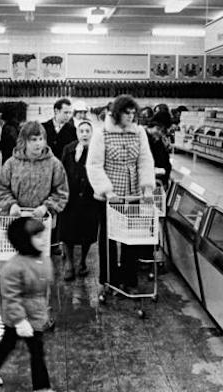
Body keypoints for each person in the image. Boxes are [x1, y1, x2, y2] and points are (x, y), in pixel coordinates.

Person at [0, 217, 60, 392]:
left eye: (43, 234)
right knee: (27, 348)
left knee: (12, 344)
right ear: (24, 240)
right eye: (37, 236)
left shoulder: (41, 258)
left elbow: (44, 285)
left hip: (35, 314)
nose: (43, 239)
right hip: (19, 318)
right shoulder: (12, 268)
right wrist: (20, 321)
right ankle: (41, 388)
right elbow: (11, 298)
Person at [86, 94, 156, 295]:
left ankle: (129, 279)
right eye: (127, 113)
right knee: (108, 239)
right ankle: (109, 280)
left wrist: (147, 187)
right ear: (117, 114)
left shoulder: (139, 132)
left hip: (132, 194)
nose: (131, 117)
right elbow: (94, 165)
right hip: (109, 198)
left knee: (131, 239)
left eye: (134, 114)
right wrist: (107, 191)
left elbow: (145, 160)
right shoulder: (102, 134)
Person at [0, 121, 68, 219]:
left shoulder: (54, 164)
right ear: (24, 141)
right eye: (33, 140)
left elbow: (61, 192)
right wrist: (11, 205)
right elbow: (1, 189)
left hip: (43, 220)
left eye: (41, 139)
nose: (38, 144)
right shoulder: (11, 163)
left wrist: (46, 207)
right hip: (15, 219)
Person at [58, 119, 99, 281]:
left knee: (87, 232)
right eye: (81, 131)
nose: (84, 134)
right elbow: (61, 171)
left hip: (90, 198)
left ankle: (82, 261)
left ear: (91, 133)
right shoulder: (68, 149)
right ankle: (69, 263)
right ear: (77, 133)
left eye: (87, 131)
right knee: (67, 230)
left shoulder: (96, 150)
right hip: (70, 197)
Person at [41, 98, 76, 254]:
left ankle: (56, 243)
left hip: (64, 175)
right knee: (44, 208)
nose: (68, 115)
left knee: (59, 208)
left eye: (70, 112)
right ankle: (43, 241)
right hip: (45, 174)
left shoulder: (72, 130)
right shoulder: (43, 128)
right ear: (56, 111)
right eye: (65, 112)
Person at [146, 111, 173, 187]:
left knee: (157, 198)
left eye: (163, 131)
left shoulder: (159, 142)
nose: (160, 133)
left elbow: (166, 163)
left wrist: (164, 171)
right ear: (151, 125)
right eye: (158, 128)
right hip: (144, 186)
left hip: (158, 184)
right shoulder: (141, 139)